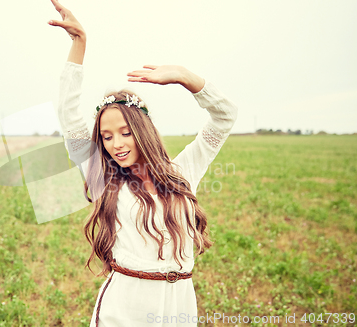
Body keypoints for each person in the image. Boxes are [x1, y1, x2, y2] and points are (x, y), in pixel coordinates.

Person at [48, 0, 238, 326]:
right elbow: (70, 118)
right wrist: (79, 45)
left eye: (124, 132)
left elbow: (224, 117)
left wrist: (184, 77)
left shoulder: (183, 172)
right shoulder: (103, 179)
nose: (116, 144)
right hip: (126, 307)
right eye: (107, 137)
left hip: (179, 304)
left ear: (142, 132)